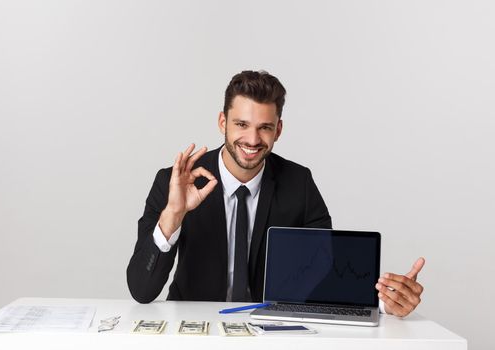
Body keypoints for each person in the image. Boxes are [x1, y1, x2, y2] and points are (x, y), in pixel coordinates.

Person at [127, 70, 425, 317]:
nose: (253, 139)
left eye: (265, 128)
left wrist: (387, 302)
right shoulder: (176, 182)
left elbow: (329, 270)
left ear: (278, 130)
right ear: (222, 123)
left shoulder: (299, 183)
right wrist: (173, 215)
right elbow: (142, 290)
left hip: (271, 331)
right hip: (197, 330)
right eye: (241, 124)